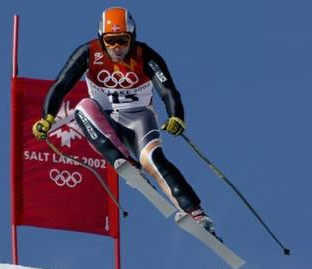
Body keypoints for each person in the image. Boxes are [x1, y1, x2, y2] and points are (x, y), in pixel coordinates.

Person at [32, 7, 220, 239]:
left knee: (153, 159)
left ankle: (197, 214)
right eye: (110, 41)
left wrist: (176, 116)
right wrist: (47, 117)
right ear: (102, 39)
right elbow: (61, 85)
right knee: (82, 107)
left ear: (133, 37)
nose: (117, 48)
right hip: (105, 120)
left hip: (139, 118)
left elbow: (168, 91)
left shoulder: (146, 56)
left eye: (123, 40)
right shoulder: (89, 53)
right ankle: (125, 161)